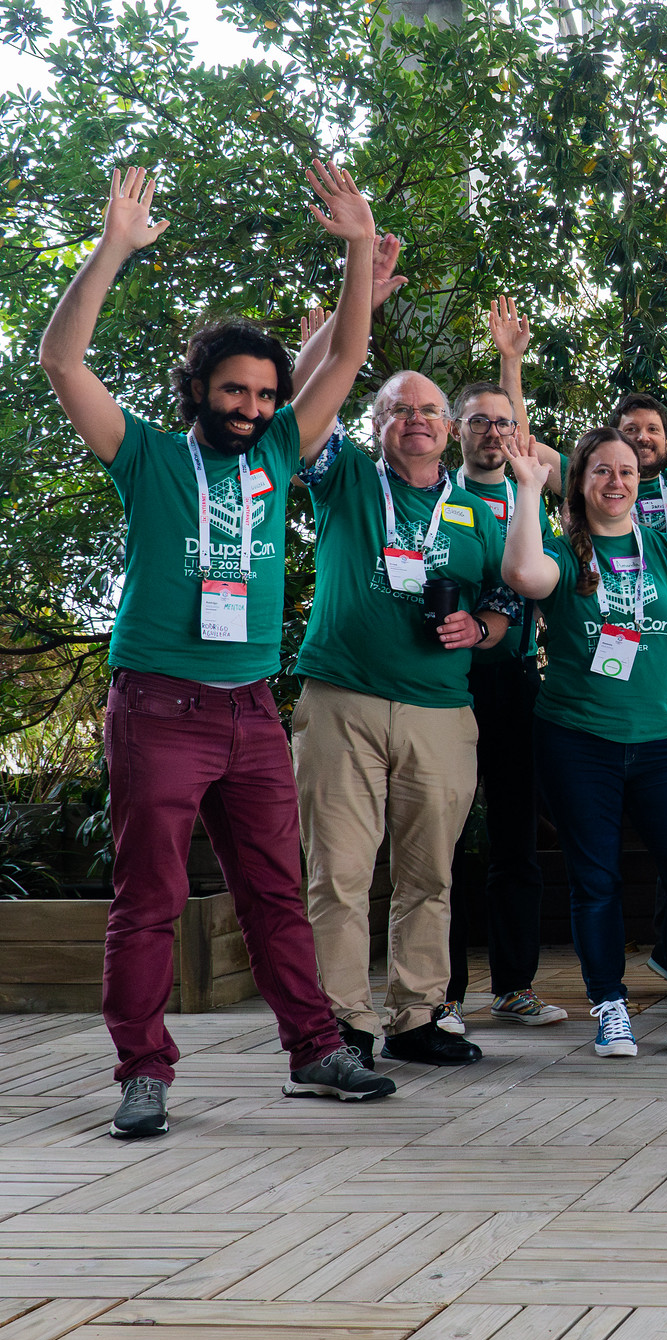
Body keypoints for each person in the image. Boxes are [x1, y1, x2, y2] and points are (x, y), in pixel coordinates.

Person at [39, 162, 396, 1138]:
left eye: (263, 393)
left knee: (277, 892)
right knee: (148, 899)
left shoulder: (281, 453)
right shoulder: (148, 456)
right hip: (158, 709)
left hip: (249, 709)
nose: (248, 406)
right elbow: (63, 361)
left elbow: (347, 356)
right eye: (231, 390)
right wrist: (112, 249)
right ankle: (143, 1074)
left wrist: (360, 247)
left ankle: (317, 1051)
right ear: (197, 388)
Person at [499, 405, 667, 1060]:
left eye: (627, 470)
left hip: (666, 739)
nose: (618, 479)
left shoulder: (666, 546)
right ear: (581, 480)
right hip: (578, 740)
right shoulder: (560, 550)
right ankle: (610, 1004)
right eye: (603, 470)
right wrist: (528, 488)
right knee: (597, 879)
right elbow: (525, 577)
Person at [294, 361, 521, 1069]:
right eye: (399, 408)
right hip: (342, 700)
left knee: (431, 873)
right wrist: (322, 354)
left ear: (450, 429)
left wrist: (479, 630)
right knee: (340, 873)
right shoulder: (346, 478)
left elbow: (508, 599)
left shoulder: (479, 512)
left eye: (429, 408)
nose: (416, 418)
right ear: (376, 424)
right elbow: (307, 423)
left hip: (441, 712)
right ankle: (342, 1024)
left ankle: (418, 1015)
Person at [438, 367, 570, 1032]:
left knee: (516, 835)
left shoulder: (532, 495)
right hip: (445, 684)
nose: (494, 432)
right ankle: (446, 992)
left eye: (505, 422)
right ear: (456, 429)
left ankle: (513, 985)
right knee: (448, 839)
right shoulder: (434, 491)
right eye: (480, 421)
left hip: (517, 678)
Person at [489, 293, 667, 534]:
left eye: (653, 429)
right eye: (631, 431)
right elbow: (519, 444)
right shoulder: (588, 477)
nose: (643, 437)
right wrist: (511, 360)